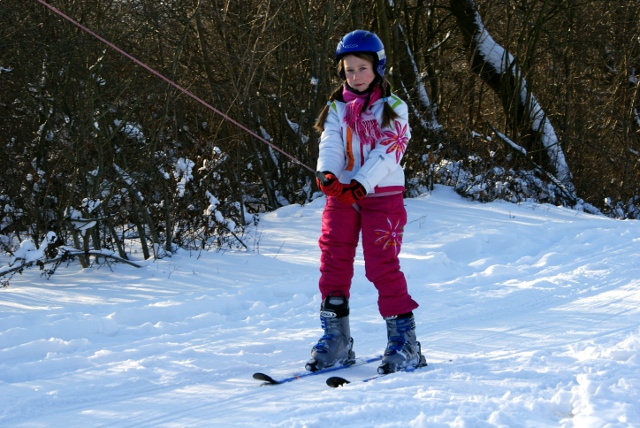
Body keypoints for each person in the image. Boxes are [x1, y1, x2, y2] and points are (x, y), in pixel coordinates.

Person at [306, 29, 426, 375]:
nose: (355, 76)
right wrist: (327, 173)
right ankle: (337, 338)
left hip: (382, 197)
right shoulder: (336, 107)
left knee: (381, 265)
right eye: (349, 70)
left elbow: (389, 150)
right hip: (341, 196)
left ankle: (405, 341)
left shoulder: (394, 108)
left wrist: (361, 184)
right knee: (333, 261)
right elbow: (329, 143)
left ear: (377, 68)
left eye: (362, 68)